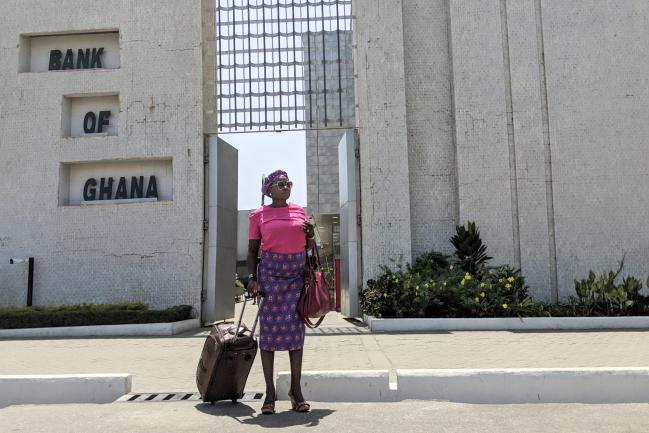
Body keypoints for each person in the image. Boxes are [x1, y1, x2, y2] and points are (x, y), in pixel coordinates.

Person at [246, 170, 315, 415]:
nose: (286, 187)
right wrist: (252, 278)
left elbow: (308, 247)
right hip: (271, 279)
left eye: (288, 183)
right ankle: (269, 394)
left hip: (296, 279)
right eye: (280, 184)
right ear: (269, 190)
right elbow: (253, 251)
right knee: (268, 337)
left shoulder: (299, 211)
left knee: (296, 337)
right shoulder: (258, 215)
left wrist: (310, 234)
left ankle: (296, 392)